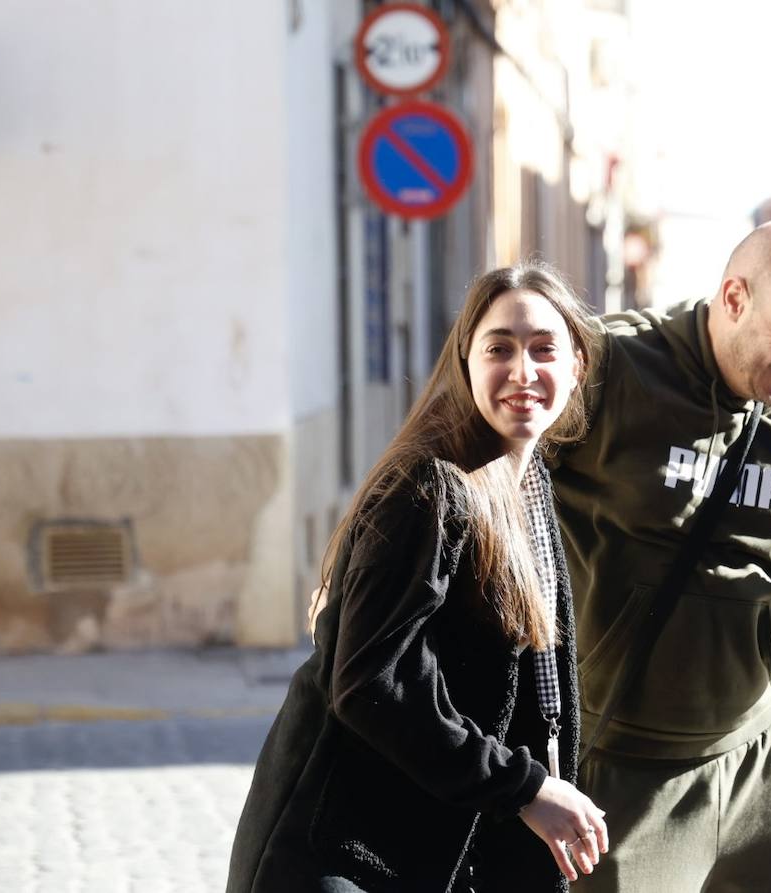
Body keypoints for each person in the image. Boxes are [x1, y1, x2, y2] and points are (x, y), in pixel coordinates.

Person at [227, 262, 610, 893]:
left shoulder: (531, 486)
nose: (523, 371)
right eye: (499, 349)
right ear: (466, 363)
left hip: (441, 851)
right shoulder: (430, 489)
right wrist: (524, 788)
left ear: (577, 367)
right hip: (349, 855)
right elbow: (372, 681)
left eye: (545, 349)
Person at [548, 216, 771, 892]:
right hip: (621, 767)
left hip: (760, 761)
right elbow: (467, 464)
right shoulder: (609, 369)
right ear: (734, 298)